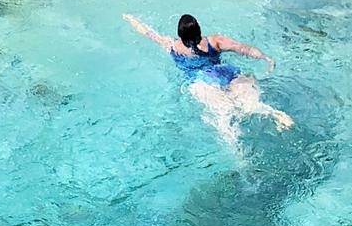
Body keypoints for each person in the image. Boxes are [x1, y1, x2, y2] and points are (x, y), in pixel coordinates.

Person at [123, 12, 293, 147]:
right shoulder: (215, 41)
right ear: (199, 29)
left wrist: (131, 19)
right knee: (250, 105)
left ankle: (237, 152)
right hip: (226, 73)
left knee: (223, 119)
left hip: (202, 83)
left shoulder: (172, 46)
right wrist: (265, 58)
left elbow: (148, 33)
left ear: (180, 35)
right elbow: (243, 49)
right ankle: (276, 115)